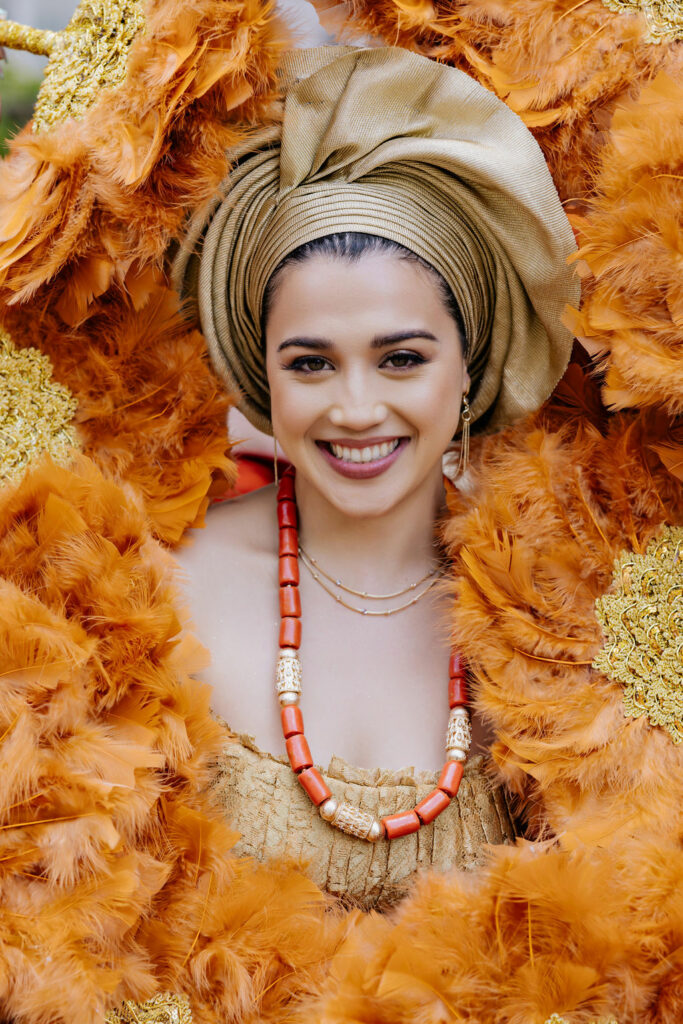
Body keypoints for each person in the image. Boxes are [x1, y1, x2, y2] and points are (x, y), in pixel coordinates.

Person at [171, 44, 579, 905]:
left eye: (400, 359)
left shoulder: (560, 619)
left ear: (467, 365)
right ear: (262, 374)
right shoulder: (158, 592)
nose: (356, 408)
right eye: (311, 365)